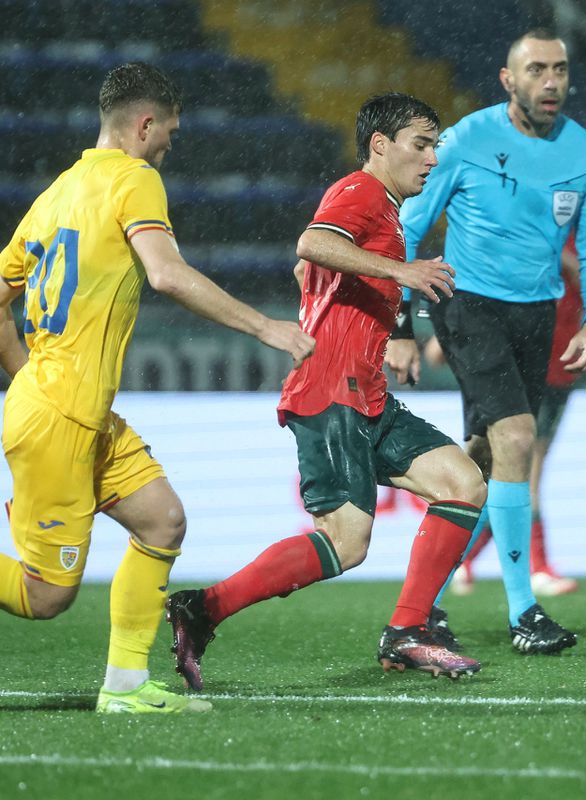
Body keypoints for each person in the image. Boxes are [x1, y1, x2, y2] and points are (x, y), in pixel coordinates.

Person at [0, 63, 315, 714]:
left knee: (163, 520)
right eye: (169, 131)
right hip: (60, 412)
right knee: (44, 595)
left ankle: (127, 687)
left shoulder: (55, 196)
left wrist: (36, 390)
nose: (169, 144)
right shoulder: (136, 180)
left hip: (66, 407)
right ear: (144, 124)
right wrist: (265, 327)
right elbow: (165, 275)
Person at [164, 92, 488, 691]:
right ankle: (202, 609)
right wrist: (401, 272)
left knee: (463, 483)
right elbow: (311, 244)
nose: (432, 159)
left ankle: (409, 631)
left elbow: (313, 270)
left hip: (367, 394)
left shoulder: (386, 212)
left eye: (436, 147)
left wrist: (384, 330)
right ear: (380, 145)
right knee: (347, 541)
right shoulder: (361, 190)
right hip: (330, 391)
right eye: (421, 145)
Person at [398, 29, 586, 654]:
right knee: (518, 436)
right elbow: (409, 226)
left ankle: (423, 606)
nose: (551, 82)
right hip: (466, 302)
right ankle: (525, 612)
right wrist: (399, 324)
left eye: (561, 70)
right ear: (508, 78)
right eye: (537, 69)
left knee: (484, 461)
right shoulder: (466, 139)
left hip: (538, 313)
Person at [446, 238, 583, 597]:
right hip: (527, 366)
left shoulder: (575, 236)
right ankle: (536, 568)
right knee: (520, 471)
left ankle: (461, 559)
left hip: (558, 369)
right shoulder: (527, 228)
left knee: (507, 474)